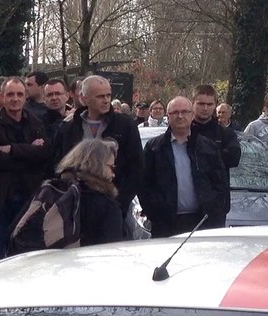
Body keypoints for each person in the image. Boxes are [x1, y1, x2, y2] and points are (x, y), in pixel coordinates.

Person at [0, 78, 51, 267]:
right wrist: (27, 152)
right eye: (10, 94)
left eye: (19, 94)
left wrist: (12, 150)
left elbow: (44, 155)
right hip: (0, 200)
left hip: (29, 198)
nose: (15, 99)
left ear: (25, 97)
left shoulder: (35, 122)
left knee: (27, 256)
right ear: (2, 97)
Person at [139, 97, 230, 236]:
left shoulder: (207, 147)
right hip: (166, 224)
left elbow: (221, 183)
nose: (180, 116)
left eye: (184, 112)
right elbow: (144, 185)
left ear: (192, 115)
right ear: (167, 116)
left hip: (202, 224)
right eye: (175, 112)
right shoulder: (155, 148)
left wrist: (215, 212)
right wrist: (155, 212)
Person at [54, 75, 144, 210]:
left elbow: (136, 167)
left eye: (108, 95)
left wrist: (120, 200)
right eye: (100, 96)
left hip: (113, 203)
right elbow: (59, 163)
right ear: (84, 99)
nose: (106, 100)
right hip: (76, 203)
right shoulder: (69, 128)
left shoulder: (125, 126)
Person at [56, 138, 126, 246]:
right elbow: (111, 250)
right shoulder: (107, 206)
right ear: (97, 166)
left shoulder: (54, 190)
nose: (113, 174)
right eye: (111, 167)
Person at [190, 84, 242, 173]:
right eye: (201, 104)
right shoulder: (183, 132)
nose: (205, 108)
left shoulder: (226, 133)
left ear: (215, 105)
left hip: (216, 185)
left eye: (209, 104)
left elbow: (234, 158)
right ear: (192, 104)